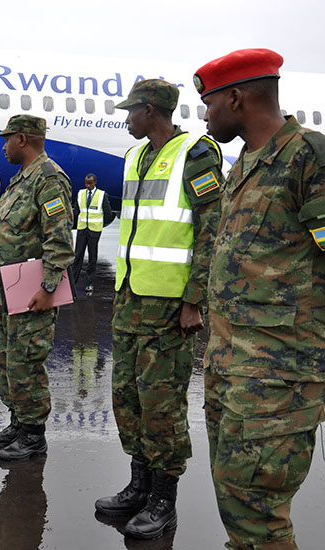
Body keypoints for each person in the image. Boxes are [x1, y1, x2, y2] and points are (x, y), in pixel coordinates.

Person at [196, 49, 325, 550]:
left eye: (209, 104)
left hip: (278, 379)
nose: (205, 116)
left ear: (236, 98)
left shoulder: (308, 157)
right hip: (231, 369)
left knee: (259, 520)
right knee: (237, 506)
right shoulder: (245, 164)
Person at [94, 79, 223, 540]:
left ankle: (164, 500)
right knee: (127, 399)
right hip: (131, 299)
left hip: (169, 306)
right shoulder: (134, 156)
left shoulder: (196, 153)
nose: (126, 119)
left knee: (160, 405)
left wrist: (194, 300)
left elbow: (212, 230)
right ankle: (140, 486)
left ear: (151, 110)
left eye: (132, 111)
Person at [0, 114, 74, 461]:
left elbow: (59, 239)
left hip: (31, 293)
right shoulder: (22, 178)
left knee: (26, 363)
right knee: (5, 361)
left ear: (22, 139)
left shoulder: (48, 178)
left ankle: (34, 435)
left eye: (7, 139)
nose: (3, 146)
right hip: (6, 291)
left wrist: (49, 287)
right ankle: (18, 423)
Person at [71, 173, 115, 293]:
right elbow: (77, 211)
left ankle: (90, 283)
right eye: (86, 183)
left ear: (95, 182)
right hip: (82, 229)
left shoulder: (101, 195)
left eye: (90, 183)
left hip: (94, 230)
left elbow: (108, 213)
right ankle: (73, 282)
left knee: (92, 257)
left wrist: (99, 224)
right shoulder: (80, 193)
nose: (88, 185)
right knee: (78, 255)